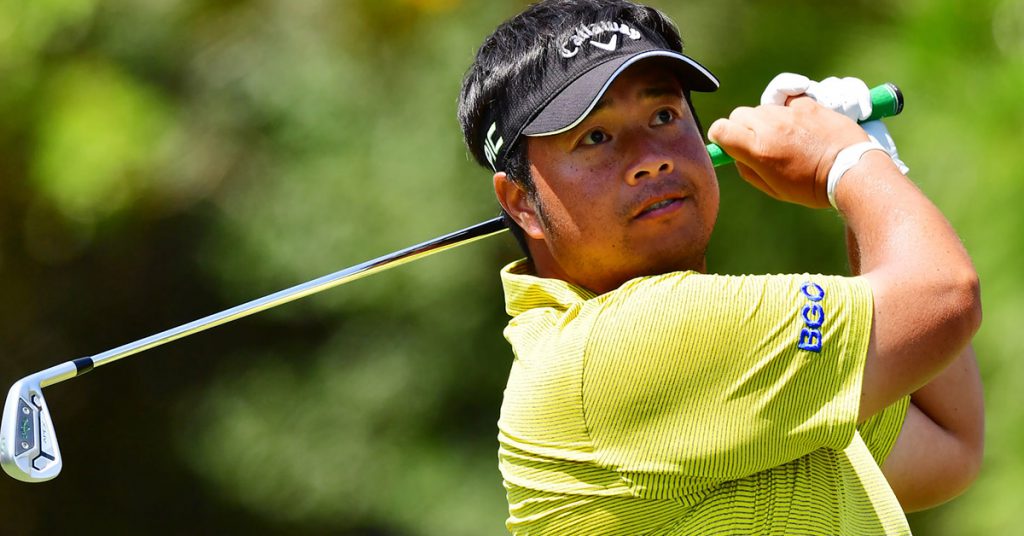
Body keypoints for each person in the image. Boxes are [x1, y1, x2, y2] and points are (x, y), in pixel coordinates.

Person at [457, 0, 984, 534]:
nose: (651, 158)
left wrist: (867, 167)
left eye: (663, 116)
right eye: (595, 137)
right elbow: (946, 295)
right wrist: (845, 162)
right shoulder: (623, 345)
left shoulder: (708, 364)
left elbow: (947, 444)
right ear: (522, 202)